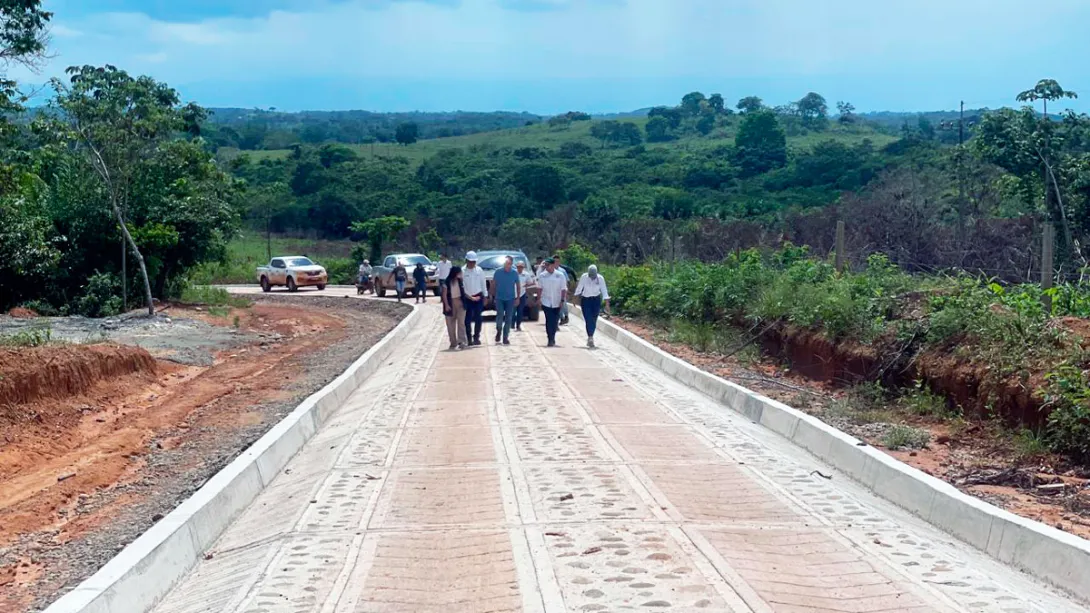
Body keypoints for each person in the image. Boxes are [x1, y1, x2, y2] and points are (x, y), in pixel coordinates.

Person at [574, 265, 610, 348]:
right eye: (591, 276)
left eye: (594, 276)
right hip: (586, 300)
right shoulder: (584, 277)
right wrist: (575, 298)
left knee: (594, 319)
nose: (592, 278)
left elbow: (604, 291)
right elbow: (579, 288)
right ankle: (590, 337)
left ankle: (590, 336)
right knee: (588, 318)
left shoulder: (600, 278)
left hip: (596, 300)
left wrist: (607, 304)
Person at [537, 258, 568, 347]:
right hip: (546, 301)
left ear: (553, 265)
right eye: (545, 265)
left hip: (557, 301)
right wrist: (539, 299)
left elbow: (563, 289)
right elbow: (539, 288)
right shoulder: (542, 276)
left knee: (554, 321)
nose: (546, 267)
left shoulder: (560, 275)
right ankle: (550, 338)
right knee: (548, 320)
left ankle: (553, 337)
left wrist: (562, 300)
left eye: (548, 265)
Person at [492, 256, 521, 345]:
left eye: (509, 263)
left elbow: (518, 285)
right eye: (505, 263)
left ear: (511, 264)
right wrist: (492, 296)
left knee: (508, 318)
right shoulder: (498, 272)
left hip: (510, 298)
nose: (507, 265)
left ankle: (505, 337)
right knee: (500, 315)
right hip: (499, 298)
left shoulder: (514, 273)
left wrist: (518, 297)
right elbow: (494, 284)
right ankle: (499, 330)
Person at [462, 251, 487, 346]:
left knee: (478, 318)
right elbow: (462, 287)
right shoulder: (462, 271)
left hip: (478, 296)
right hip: (467, 298)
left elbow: (483, 283)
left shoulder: (479, 270)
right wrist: (469, 297)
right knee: (467, 319)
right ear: (467, 260)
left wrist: (485, 296)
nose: (472, 263)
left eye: (474, 262)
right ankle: (468, 338)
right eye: (470, 261)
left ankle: (476, 337)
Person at [442, 266, 468, 350]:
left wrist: (471, 298)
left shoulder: (460, 281)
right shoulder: (447, 281)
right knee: (450, 324)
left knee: (461, 322)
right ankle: (453, 342)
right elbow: (444, 295)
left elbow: (464, 292)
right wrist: (446, 305)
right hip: (450, 302)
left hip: (460, 302)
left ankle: (462, 341)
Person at [516, 260, 536, 331]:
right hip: (513, 294)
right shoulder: (513, 273)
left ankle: (518, 325)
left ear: (523, 267)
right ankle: (511, 324)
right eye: (518, 267)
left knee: (520, 310)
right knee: (511, 311)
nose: (519, 268)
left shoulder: (526, 274)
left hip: (522, 294)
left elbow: (531, 283)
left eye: (521, 267)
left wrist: (526, 285)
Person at [553, 254, 571, 325]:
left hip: (562, 290)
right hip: (554, 291)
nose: (556, 263)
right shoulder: (550, 270)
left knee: (563, 304)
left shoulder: (562, 271)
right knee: (557, 305)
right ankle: (561, 318)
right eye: (554, 261)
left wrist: (567, 290)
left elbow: (567, 280)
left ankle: (566, 316)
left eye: (557, 261)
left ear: (559, 262)